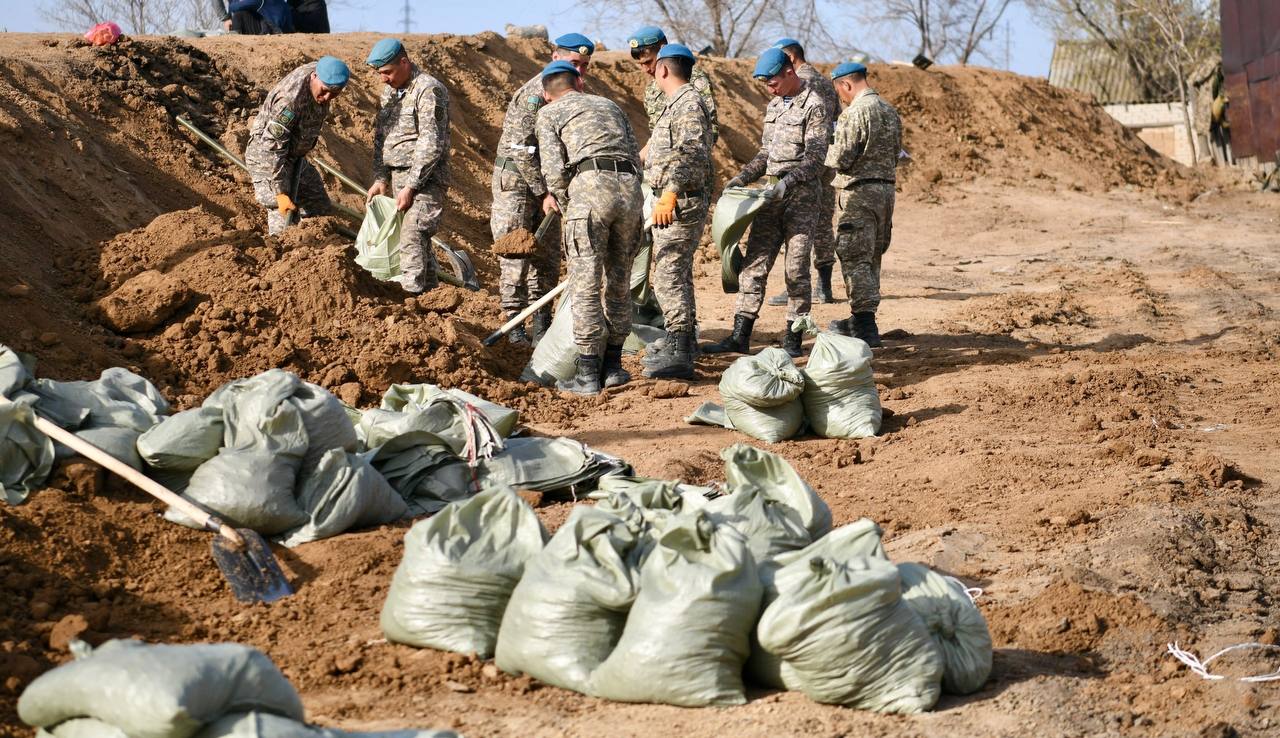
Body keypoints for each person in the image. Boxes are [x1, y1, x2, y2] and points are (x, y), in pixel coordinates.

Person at [703, 47, 829, 358]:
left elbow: (816, 159)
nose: (768, 88)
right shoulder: (774, 106)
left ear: (790, 72)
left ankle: (793, 337)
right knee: (754, 265)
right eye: (765, 84)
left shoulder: (815, 105)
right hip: (769, 197)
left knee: (796, 268)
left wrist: (787, 182)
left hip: (801, 196)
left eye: (772, 82)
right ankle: (739, 335)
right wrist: (741, 178)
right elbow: (765, 155)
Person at [535, 61, 644, 395]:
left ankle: (586, 375)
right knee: (619, 280)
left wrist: (571, 210)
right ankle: (613, 366)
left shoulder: (549, 114)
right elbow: (635, 156)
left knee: (585, 283)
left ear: (545, 93)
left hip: (590, 190)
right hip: (629, 191)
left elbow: (553, 172)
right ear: (578, 83)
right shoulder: (609, 105)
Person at [492, 33, 595, 345]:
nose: (580, 70)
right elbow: (521, 148)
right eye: (574, 62)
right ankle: (513, 327)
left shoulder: (574, 92)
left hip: (548, 187)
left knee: (548, 257)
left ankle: (542, 326)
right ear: (555, 57)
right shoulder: (536, 93)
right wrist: (543, 192)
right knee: (516, 251)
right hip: (518, 184)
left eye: (585, 65)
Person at [639, 44, 714, 380]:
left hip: (680, 202)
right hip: (674, 199)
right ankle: (681, 342)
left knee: (668, 274)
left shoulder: (688, 103)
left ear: (664, 70)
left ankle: (680, 352)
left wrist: (669, 193)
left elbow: (691, 153)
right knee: (677, 273)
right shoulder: (677, 104)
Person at [363, 39, 451, 294]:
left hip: (427, 179)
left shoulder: (429, 90)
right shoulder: (390, 93)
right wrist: (381, 178)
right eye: (380, 73)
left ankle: (409, 297)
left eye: (387, 72)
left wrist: (412, 186)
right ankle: (432, 297)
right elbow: (382, 137)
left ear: (405, 62)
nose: (383, 79)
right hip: (399, 177)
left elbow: (431, 141)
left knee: (412, 233)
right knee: (417, 240)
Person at [824, 62, 902, 347]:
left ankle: (865, 325)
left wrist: (825, 147)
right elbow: (895, 153)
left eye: (840, 92)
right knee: (872, 257)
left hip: (858, 192)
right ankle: (860, 319)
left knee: (855, 256)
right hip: (885, 192)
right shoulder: (889, 111)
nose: (841, 98)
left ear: (846, 85)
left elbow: (841, 158)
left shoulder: (854, 113)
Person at [766, 37, 839, 306]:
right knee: (822, 223)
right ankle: (825, 286)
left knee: (798, 227)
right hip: (824, 160)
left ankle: (797, 285)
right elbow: (835, 121)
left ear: (790, 59)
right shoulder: (827, 84)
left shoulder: (800, 84)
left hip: (800, 163)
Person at [244, 56, 348, 236]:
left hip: (293, 157)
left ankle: (319, 248)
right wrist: (280, 192)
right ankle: (284, 253)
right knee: (284, 217)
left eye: (334, 93)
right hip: (266, 158)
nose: (327, 97)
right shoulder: (290, 101)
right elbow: (273, 147)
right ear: (314, 76)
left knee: (317, 202)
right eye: (324, 91)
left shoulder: (325, 71)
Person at [626, 26, 718, 153]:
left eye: (648, 62)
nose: (645, 69)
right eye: (640, 64)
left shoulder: (692, 78)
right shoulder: (651, 91)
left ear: (662, 49)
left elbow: (710, 129)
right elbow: (656, 133)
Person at [212, 0, 293, 34]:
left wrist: (233, 7)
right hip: (260, 20)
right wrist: (226, 19)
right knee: (239, 16)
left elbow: (237, 6)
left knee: (238, 16)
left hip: (276, 27)